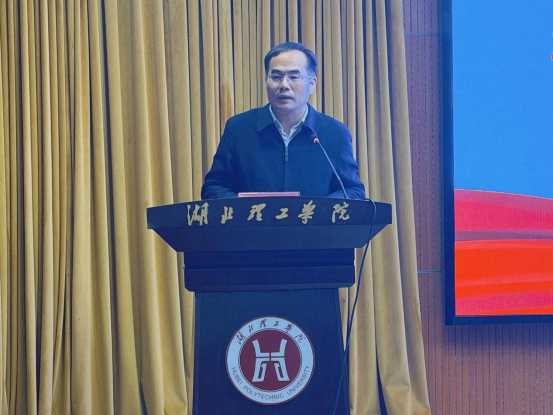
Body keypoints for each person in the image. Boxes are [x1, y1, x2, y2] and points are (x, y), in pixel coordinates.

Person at [201, 42, 365, 200]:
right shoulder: (239, 129)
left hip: (314, 220)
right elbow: (214, 186)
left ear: (312, 84)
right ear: (266, 81)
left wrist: (323, 208)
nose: (284, 85)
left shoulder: (335, 133)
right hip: (252, 219)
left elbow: (352, 189)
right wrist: (243, 208)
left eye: (294, 76)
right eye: (276, 77)